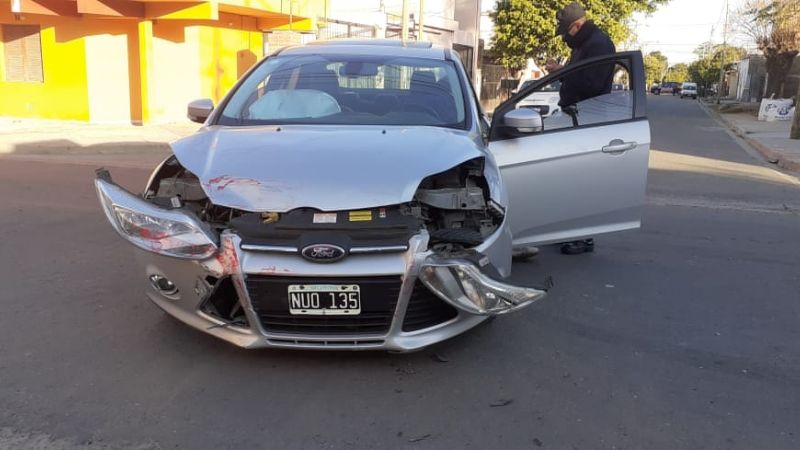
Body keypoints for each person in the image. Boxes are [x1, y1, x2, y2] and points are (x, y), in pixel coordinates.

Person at [546, 2, 616, 255]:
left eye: (566, 32)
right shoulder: (583, 46)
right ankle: (569, 230)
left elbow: (590, 84)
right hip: (576, 118)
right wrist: (561, 71)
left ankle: (582, 236)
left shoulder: (598, 44)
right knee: (569, 179)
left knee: (581, 181)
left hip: (588, 120)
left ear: (577, 26)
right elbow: (578, 76)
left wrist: (561, 72)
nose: (564, 38)